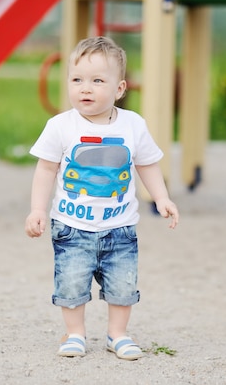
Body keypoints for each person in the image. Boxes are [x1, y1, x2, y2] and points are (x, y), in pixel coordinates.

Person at [25, 36, 179, 360]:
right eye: (77, 79)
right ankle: (75, 333)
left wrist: (161, 197)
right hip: (72, 226)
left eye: (97, 81)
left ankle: (118, 334)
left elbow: (146, 163)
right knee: (70, 284)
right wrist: (38, 209)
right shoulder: (60, 126)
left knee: (123, 286)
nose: (86, 88)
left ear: (120, 88)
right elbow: (46, 170)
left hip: (120, 228)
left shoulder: (133, 125)